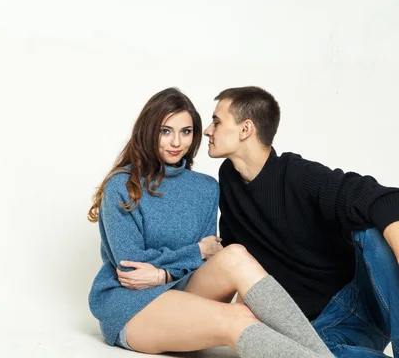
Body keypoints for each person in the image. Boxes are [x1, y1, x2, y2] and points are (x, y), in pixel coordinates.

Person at [123, 86, 399, 357]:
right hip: (322, 330)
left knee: (371, 225)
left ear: (245, 129)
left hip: (367, 295)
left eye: (217, 122)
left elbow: (387, 200)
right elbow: (234, 260)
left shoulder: (298, 175)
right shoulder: (228, 180)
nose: (206, 130)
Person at [87, 87, 334, 357]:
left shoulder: (205, 188)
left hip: (182, 291)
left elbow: (203, 263)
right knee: (239, 318)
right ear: (148, 131)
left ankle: (322, 354)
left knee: (235, 255)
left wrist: (165, 274)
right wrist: (197, 250)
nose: (176, 142)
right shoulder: (122, 186)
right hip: (130, 305)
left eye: (186, 131)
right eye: (165, 131)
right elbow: (131, 268)